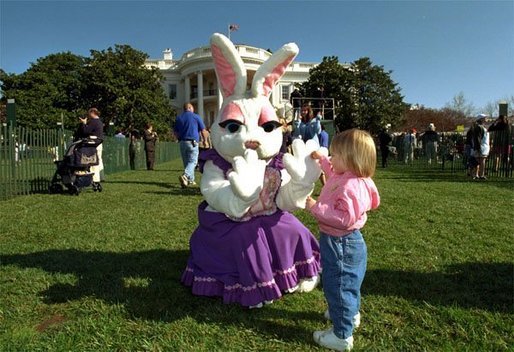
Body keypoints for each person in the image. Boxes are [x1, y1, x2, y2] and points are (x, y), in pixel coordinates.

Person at [307, 129, 380, 351]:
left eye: (335, 155)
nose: (331, 158)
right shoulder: (345, 176)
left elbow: (345, 218)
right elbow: (332, 175)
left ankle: (341, 335)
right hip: (342, 242)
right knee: (348, 283)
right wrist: (321, 160)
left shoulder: (351, 186)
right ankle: (350, 314)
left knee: (338, 285)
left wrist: (316, 207)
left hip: (341, 244)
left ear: (350, 158)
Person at [174, 103, 208, 187]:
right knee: (193, 161)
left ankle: (190, 180)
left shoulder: (179, 118)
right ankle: (185, 176)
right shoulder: (196, 117)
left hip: (182, 142)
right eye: (192, 108)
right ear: (189, 108)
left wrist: (178, 138)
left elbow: (175, 132)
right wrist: (205, 141)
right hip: (192, 142)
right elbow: (203, 130)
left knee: (187, 163)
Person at [77, 108, 104, 191]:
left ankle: (94, 180)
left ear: (92, 113)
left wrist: (84, 124)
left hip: (92, 146)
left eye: (89, 114)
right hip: (98, 144)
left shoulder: (93, 122)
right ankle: (98, 179)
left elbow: (85, 131)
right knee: (97, 162)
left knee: (92, 163)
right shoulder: (99, 122)